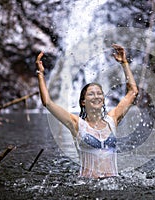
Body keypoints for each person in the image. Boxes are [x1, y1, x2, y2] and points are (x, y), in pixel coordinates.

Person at [35, 44, 138, 178]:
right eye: (91, 94)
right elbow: (47, 102)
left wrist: (124, 63)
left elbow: (133, 92)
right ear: (83, 102)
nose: (96, 96)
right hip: (88, 185)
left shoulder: (112, 119)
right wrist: (41, 74)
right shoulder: (76, 124)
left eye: (99, 93)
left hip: (114, 183)